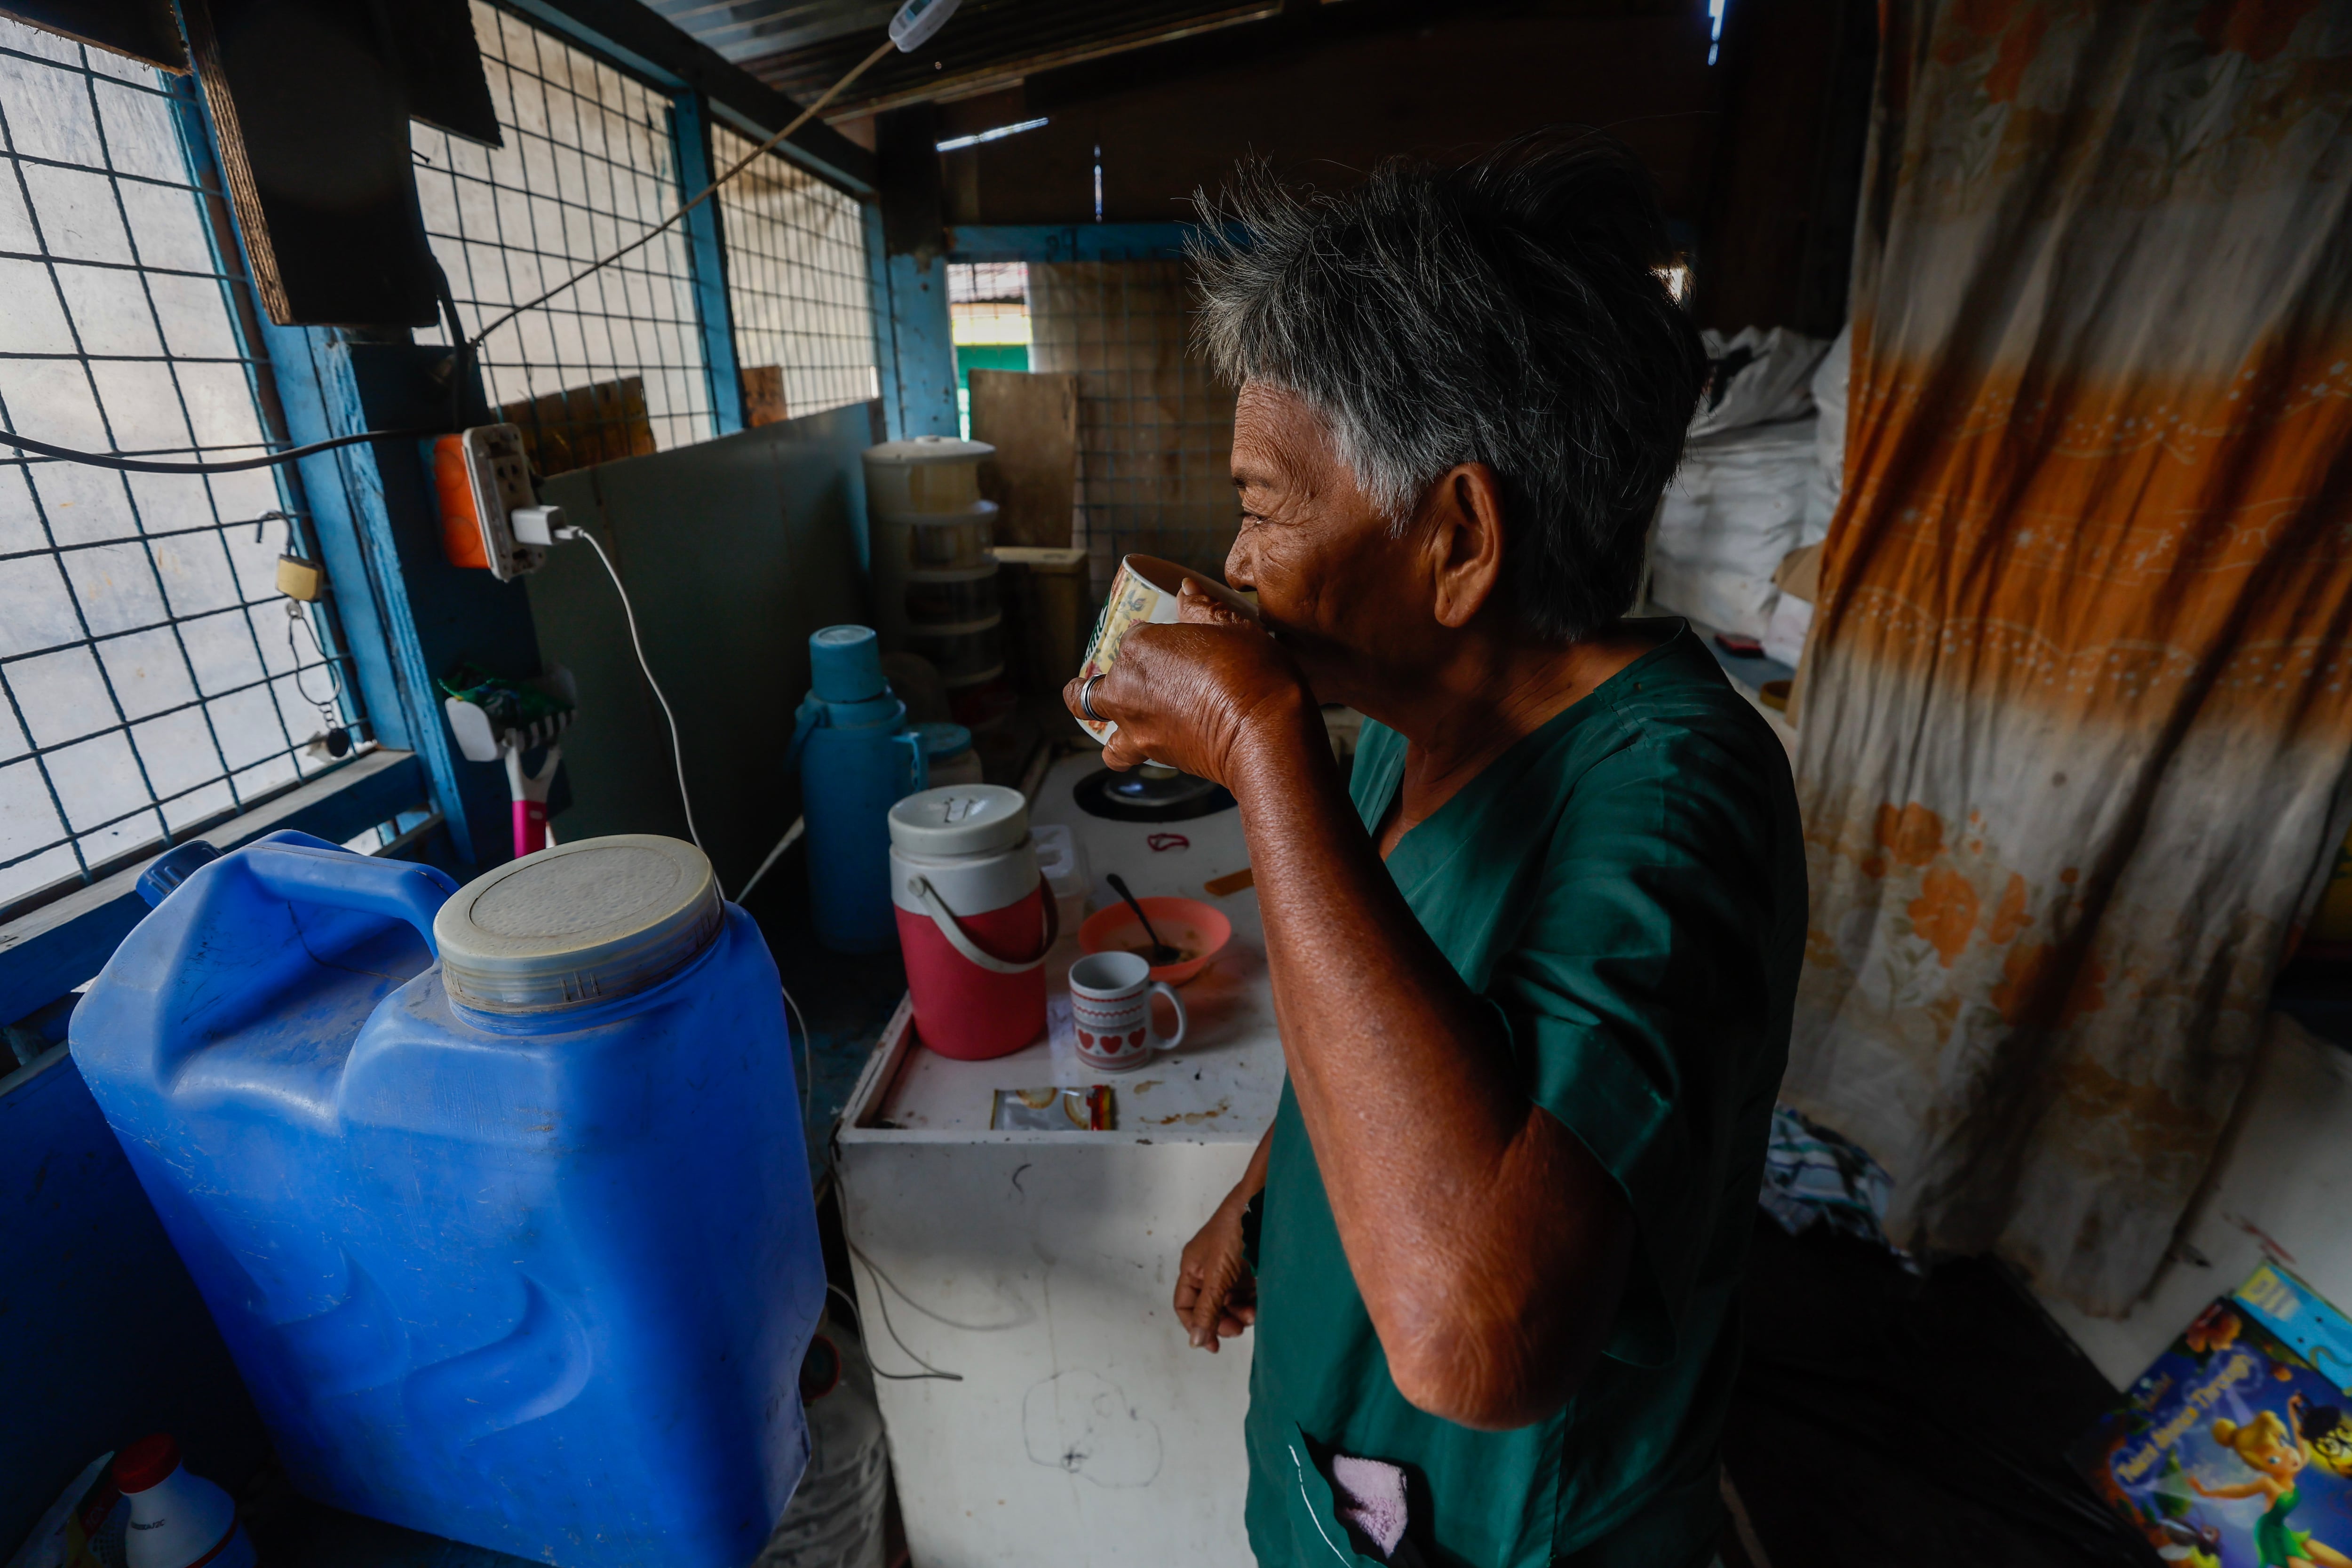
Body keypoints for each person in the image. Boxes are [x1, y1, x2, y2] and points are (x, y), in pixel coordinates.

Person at [1065, 132, 1805, 1568]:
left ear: (1459, 540)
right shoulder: (1416, 713)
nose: (1241, 556)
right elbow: (1398, 985)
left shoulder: (1676, 799)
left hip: (1505, 1522)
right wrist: (1262, 1193)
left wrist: (1264, 754)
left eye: (1266, 506)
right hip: (1348, 1454)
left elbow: (1483, 1343)